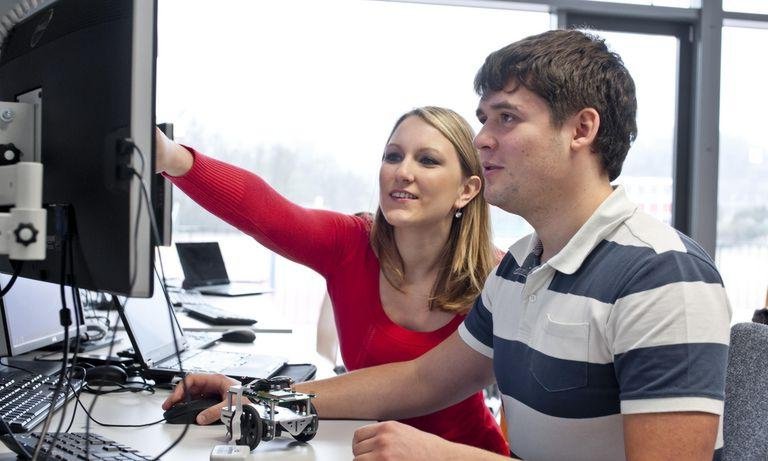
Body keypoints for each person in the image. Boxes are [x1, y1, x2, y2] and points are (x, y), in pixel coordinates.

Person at [165, 29, 732, 460]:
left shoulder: (664, 278)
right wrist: (258, 401)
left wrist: (447, 457)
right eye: (484, 118)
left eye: (506, 118)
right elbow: (419, 380)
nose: (482, 138)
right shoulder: (522, 271)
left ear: (581, 130)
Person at [155, 106, 510, 455]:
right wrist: (170, 157)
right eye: (393, 156)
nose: (402, 171)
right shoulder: (352, 243)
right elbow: (265, 212)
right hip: (367, 448)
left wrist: (263, 398)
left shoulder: (500, 276)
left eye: (427, 160)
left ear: (467, 190)